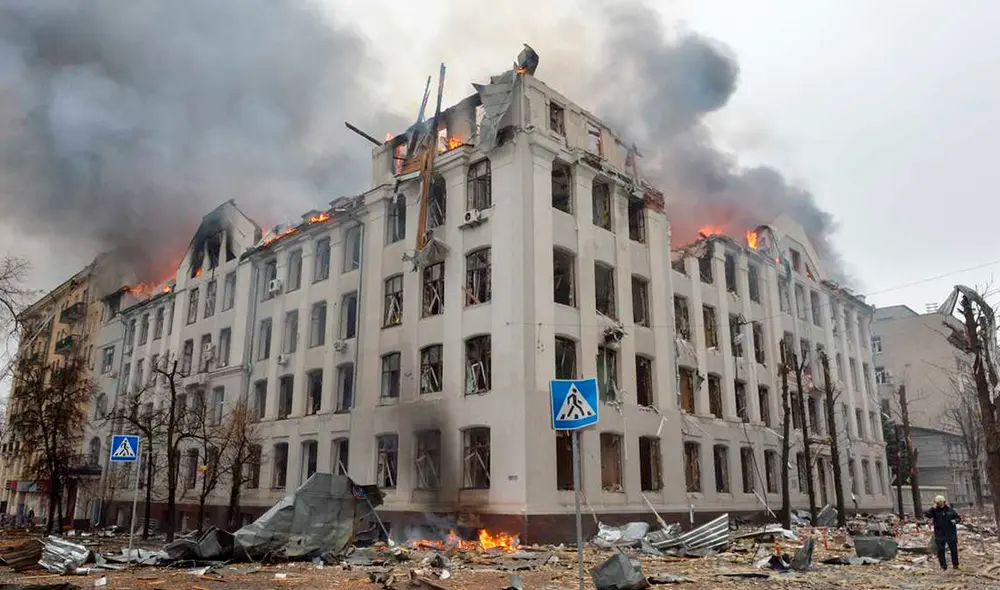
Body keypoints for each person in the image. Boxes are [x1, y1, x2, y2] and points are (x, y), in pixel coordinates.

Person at [925, 495, 961, 570]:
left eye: (942, 503)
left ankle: (955, 565)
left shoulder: (950, 510)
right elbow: (928, 515)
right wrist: (933, 508)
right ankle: (943, 566)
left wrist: (955, 521)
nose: (941, 505)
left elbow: (958, 518)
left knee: (953, 550)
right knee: (940, 550)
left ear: (944, 502)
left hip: (950, 533)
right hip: (939, 533)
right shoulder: (934, 511)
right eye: (939, 503)